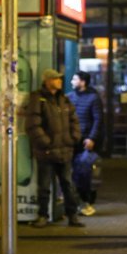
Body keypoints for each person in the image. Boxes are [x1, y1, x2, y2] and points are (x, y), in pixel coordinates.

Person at [25, 68, 85, 228]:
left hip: (64, 150)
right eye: (56, 79)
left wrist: (73, 138)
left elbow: (74, 120)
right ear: (47, 81)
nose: (59, 81)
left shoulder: (64, 100)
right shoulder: (38, 99)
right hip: (47, 151)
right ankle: (43, 215)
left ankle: (72, 215)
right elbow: (32, 125)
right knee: (44, 185)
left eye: (59, 79)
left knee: (67, 184)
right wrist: (46, 142)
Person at [67, 70, 103, 217]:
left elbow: (97, 119)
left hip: (85, 141)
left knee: (83, 170)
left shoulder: (93, 98)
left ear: (82, 82)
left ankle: (86, 200)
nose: (71, 82)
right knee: (74, 172)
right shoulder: (69, 97)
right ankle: (78, 202)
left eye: (74, 79)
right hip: (72, 140)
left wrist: (92, 138)